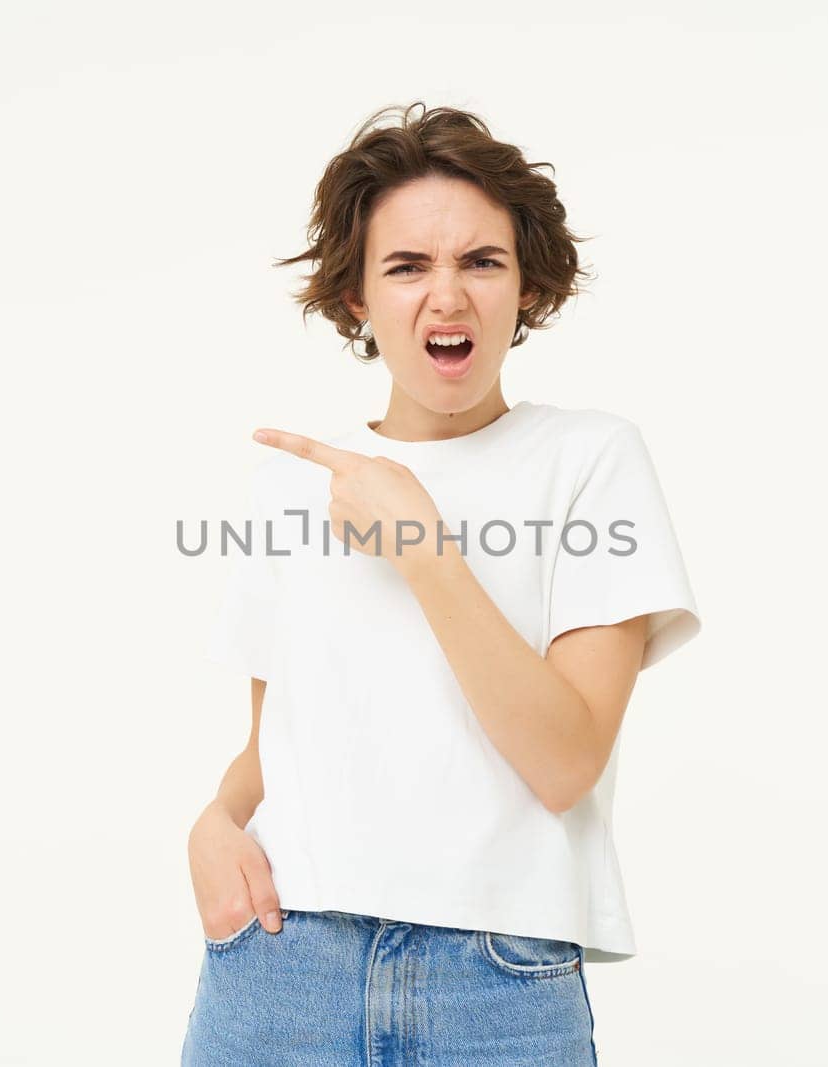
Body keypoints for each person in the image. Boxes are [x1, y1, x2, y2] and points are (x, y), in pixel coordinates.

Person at [181, 102, 702, 1066]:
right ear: (357, 299)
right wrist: (212, 825)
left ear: (527, 287)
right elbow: (273, 743)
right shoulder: (295, 481)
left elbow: (565, 760)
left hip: (497, 985)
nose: (447, 294)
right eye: (407, 265)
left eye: (482, 261)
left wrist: (423, 544)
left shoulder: (588, 460)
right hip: (283, 968)